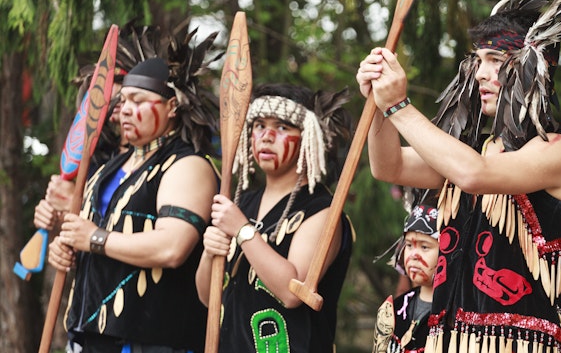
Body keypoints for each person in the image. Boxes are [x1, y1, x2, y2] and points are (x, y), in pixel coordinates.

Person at [357, 0, 561, 352]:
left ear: (535, 66)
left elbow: (473, 175)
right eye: (478, 60)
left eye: (495, 59)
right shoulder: (474, 152)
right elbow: (389, 166)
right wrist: (379, 108)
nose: (481, 73)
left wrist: (399, 105)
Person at [47, 27, 220, 353]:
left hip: (155, 341)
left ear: (172, 107)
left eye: (138, 100)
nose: (125, 109)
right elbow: (92, 237)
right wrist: (69, 250)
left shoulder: (187, 165)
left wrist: (94, 239)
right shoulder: (108, 169)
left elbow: (172, 247)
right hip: (92, 336)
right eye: (123, 100)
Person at [194, 83, 353, 352]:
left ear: (308, 137)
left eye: (282, 127)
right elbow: (206, 298)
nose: (267, 136)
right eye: (259, 125)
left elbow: (294, 293)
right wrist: (210, 253)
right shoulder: (242, 203)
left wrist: (243, 231)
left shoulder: (323, 211)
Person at [33, 23, 160, 236]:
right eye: (103, 91)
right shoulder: (99, 158)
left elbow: (134, 221)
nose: (111, 97)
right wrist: (55, 219)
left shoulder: (161, 158)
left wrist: (78, 199)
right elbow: (81, 234)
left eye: (119, 85)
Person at [374, 193, 440, 353]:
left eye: (425, 247)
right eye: (409, 245)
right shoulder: (395, 307)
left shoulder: (456, 315)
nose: (414, 255)